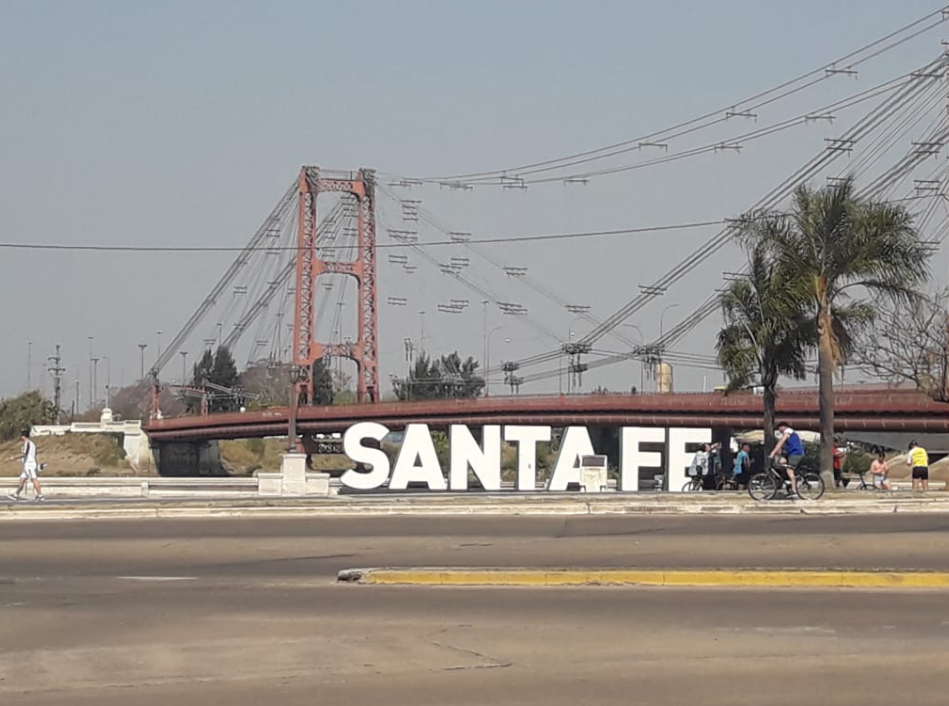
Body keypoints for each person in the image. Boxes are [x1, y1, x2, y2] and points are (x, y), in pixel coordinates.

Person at [6, 430, 44, 502]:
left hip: (29, 465)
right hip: (28, 464)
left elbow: (24, 454)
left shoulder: (27, 443)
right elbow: (34, 455)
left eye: (21, 436)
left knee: (33, 479)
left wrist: (14, 457)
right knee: (22, 480)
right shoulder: (33, 444)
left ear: (23, 436)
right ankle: (16, 495)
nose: (20, 437)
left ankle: (40, 496)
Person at [769, 421, 804, 496]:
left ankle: (794, 490)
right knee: (781, 462)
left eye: (779, 427)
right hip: (790, 454)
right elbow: (782, 446)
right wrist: (778, 452)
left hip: (796, 454)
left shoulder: (788, 432)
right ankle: (790, 479)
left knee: (789, 470)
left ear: (783, 427)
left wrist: (773, 452)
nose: (778, 429)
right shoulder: (787, 433)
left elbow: (781, 442)